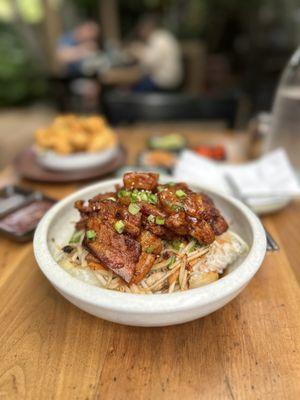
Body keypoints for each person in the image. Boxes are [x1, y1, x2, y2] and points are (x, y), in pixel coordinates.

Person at [129, 14, 183, 93]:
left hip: (165, 81)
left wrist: (137, 53)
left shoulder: (157, 39)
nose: (140, 35)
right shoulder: (163, 35)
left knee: (134, 90)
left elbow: (150, 63)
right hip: (174, 80)